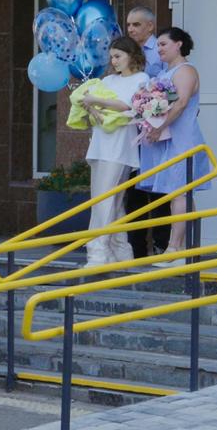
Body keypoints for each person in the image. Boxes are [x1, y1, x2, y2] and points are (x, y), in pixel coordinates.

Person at [137, 27, 211, 268]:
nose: (158, 49)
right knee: (179, 194)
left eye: (163, 44)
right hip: (170, 139)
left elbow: (180, 104)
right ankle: (188, 249)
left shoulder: (185, 70)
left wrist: (159, 126)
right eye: (157, 45)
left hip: (183, 138)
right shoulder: (166, 72)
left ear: (179, 44)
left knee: (179, 194)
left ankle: (174, 249)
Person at [78, 37, 151, 266]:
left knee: (106, 198)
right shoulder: (108, 79)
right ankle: (119, 250)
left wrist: (95, 99)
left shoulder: (142, 78)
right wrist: (89, 104)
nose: (114, 61)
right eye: (111, 57)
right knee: (109, 200)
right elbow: (95, 106)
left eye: (118, 56)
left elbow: (128, 105)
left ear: (131, 55)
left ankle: (97, 250)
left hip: (120, 144)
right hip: (101, 141)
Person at [122, 6, 172, 257]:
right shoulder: (125, 52)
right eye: (129, 25)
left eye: (136, 25)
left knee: (159, 190)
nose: (131, 29)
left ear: (150, 26)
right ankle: (136, 249)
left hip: (156, 133)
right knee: (134, 194)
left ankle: (162, 245)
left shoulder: (162, 50)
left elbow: (167, 90)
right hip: (131, 133)